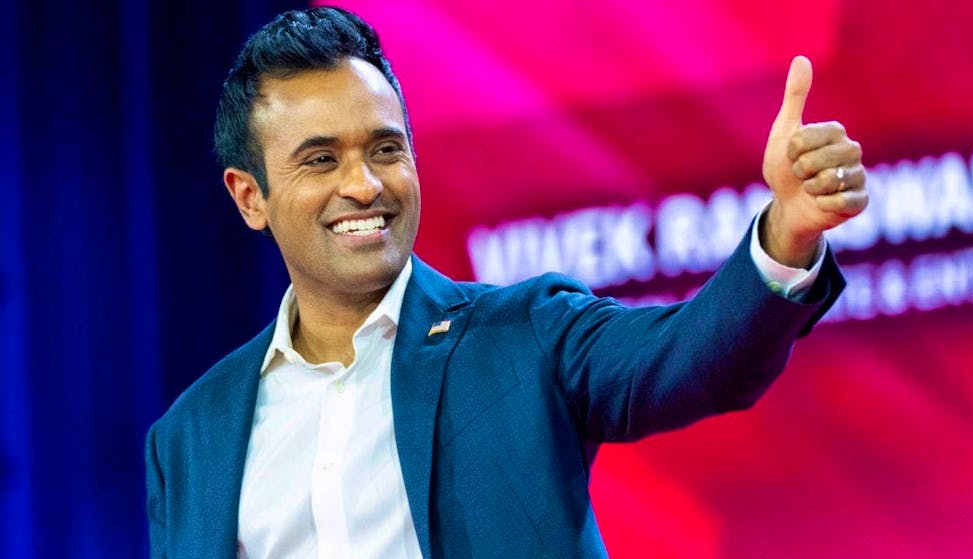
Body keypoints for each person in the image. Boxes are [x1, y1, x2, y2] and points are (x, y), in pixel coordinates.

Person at [145, 6, 866, 559]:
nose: (364, 185)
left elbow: (695, 358)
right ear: (250, 196)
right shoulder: (189, 438)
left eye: (386, 149)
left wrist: (786, 233)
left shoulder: (527, 335)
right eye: (321, 160)